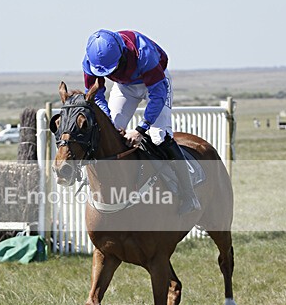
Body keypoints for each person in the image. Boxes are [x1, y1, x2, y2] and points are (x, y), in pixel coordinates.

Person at [82, 28, 201, 214]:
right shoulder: (91, 61)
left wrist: (141, 129)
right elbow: (96, 95)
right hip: (124, 87)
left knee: (158, 136)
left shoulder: (144, 54)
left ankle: (189, 195)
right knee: (109, 131)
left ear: (122, 53)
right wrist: (107, 119)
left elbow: (158, 95)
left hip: (155, 84)